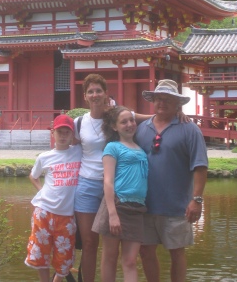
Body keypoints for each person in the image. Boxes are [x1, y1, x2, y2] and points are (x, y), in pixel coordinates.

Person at [74, 73, 151, 282]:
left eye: (99, 90)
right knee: (90, 243)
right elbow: (65, 146)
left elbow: (140, 118)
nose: (95, 94)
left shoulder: (115, 117)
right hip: (87, 184)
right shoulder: (79, 122)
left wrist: (171, 116)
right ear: (85, 96)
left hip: (115, 186)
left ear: (105, 94)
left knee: (115, 248)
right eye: (90, 91)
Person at [135, 79, 208, 282]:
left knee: (177, 253)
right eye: (158, 99)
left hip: (177, 207)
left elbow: (200, 166)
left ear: (178, 104)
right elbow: (117, 116)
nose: (162, 103)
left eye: (168, 99)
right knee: (145, 252)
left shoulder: (189, 129)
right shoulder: (142, 129)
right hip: (145, 205)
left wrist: (197, 200)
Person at [92, 106, 148, 282]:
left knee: (131, 261)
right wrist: (112, 214)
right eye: (124, 122)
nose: (130, 124)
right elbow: (107, 181)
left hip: (137, 208)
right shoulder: (112, 147)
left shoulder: (140, 147)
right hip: (116, 205)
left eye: (131, 120)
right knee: (110, 258)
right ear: (114, 127)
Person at [25, 114, 82, 282]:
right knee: (40, 254)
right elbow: (33, 176)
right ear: (53, 134)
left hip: (66, 215)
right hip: (44, 212)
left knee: (64, 258)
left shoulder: (78, 152)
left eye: (67, 132)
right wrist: (41, 190)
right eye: (59, 132)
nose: (63, 136)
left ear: (72, 135)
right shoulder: (44, 157)